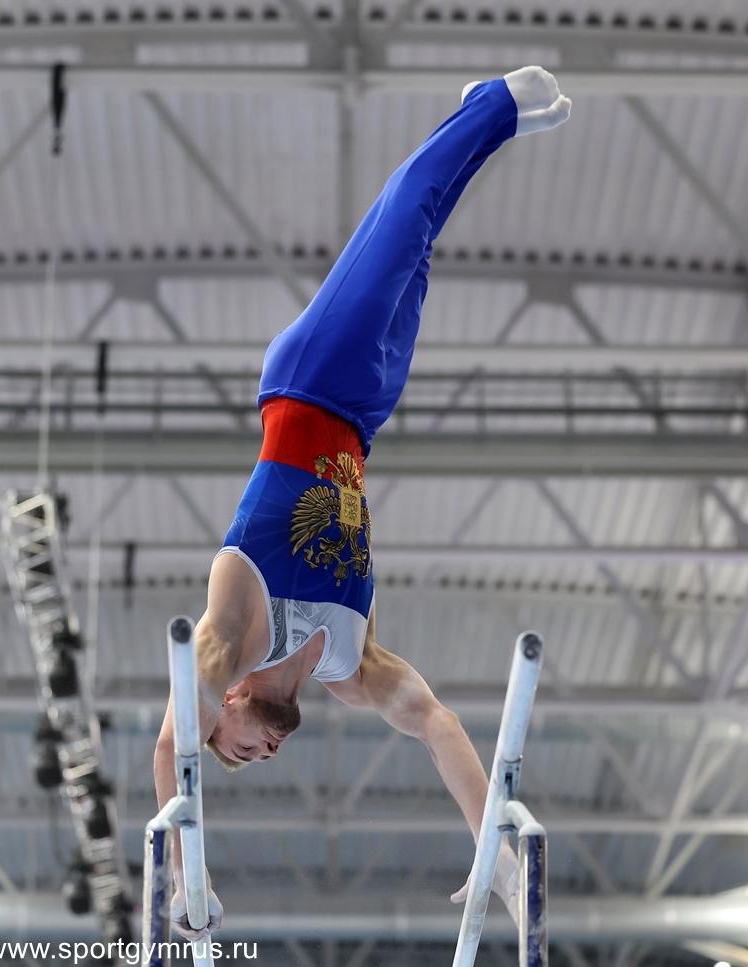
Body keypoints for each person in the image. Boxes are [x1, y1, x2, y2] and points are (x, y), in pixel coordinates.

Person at [153, 65, 571, 940]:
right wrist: (493, 853)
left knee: (402, 217)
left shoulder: (236, 628)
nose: (260, 754)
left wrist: (183, 875)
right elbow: (435, 722)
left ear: (227, 704)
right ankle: (478, 119)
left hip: (308, 378)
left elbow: (171, 743)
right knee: (417, 255)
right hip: (365, 414)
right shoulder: (351, 666)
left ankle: (493, 101)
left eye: (236, 747)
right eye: (256, 759)